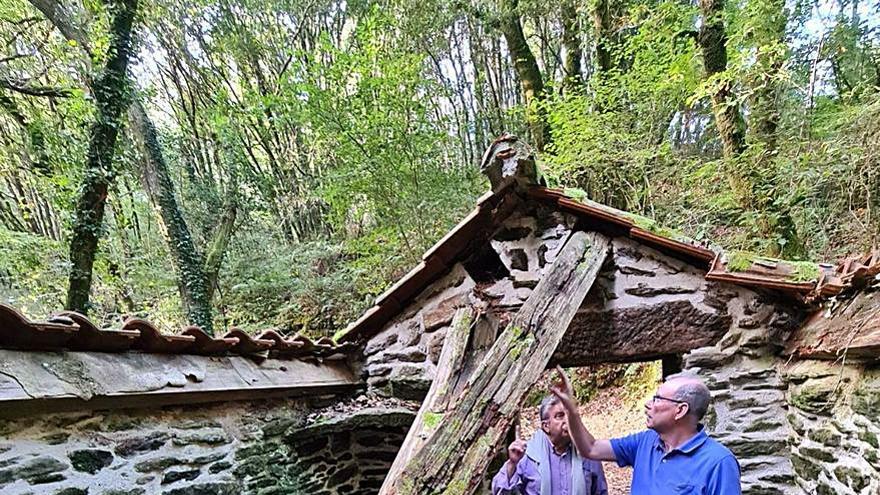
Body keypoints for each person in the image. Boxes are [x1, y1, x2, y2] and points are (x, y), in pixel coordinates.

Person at [550, 366, 741, 495]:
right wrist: (571, 410)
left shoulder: (719, 462)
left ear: (680, 410)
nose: (648, 405)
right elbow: (590, 448)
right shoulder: (645, 442)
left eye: (657, 399)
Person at [492, 395, 608, 495]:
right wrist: (512, 464)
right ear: (546, 426)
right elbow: (499, 492)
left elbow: (600, 491)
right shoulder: (528, 455)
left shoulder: (587, 453)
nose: (568, 421)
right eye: (560, 416)